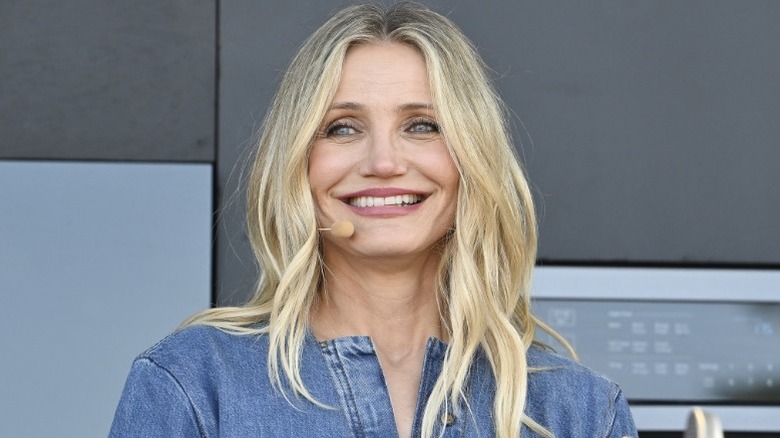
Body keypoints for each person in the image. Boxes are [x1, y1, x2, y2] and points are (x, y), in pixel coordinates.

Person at [109, 2, 637, 437]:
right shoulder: (192, 384)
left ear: (474, 159)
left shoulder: (582, 412)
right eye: (342, 128)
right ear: (298, 162)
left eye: (422, 125)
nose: (383, 162)